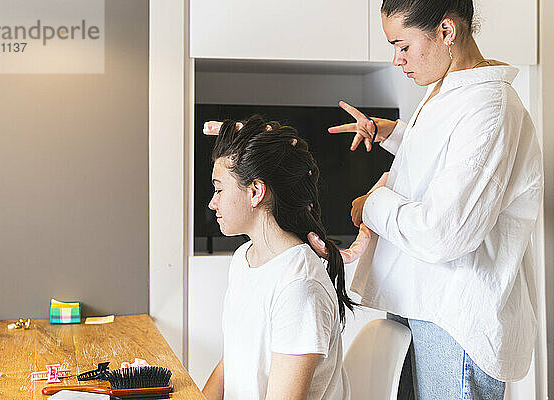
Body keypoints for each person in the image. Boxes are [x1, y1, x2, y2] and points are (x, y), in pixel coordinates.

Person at [307, 0, 543, 399]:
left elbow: (445, 232)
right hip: (426, 300)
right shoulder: (449, 88)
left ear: (447, 32)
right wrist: (394, 133)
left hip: (454, 315)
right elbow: (448, 164)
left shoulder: (490, 106)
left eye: (402, 45)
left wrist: (373, 204)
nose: (397, 59)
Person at [201, 116, 370, 400]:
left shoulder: (298, 285)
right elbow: (233, 359)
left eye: (219, 189)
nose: (212, 202)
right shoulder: (244, 258)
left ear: (256, 191)